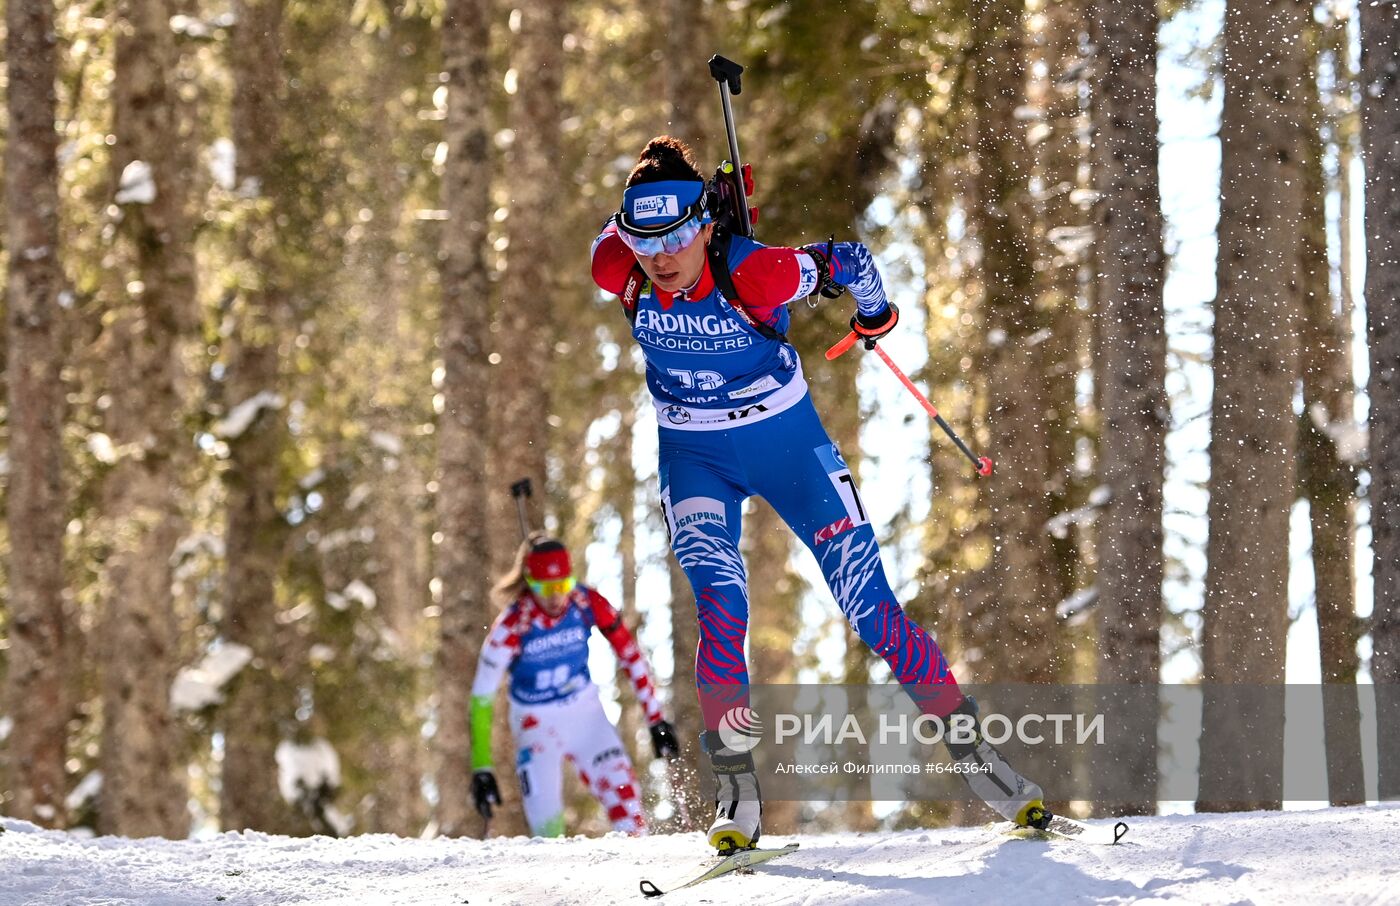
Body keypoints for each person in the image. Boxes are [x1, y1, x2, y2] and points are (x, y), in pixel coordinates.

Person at [590, 136, 1047, 854]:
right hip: (693, 455)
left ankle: (978, 757)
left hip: (789, 450)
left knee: (872, 610)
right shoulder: (617, 266)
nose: (661, 255)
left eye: (678, 233)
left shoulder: (758, 272)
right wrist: (664, 207)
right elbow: (625, 235)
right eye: (643, 237)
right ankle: (736, 789)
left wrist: (876, 315)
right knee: (722, 605)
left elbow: (853, 262)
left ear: (707, 223)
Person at [469, 534, 679, 837]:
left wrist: (656, 719)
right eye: (545, 588)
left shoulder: (585, 602)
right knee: (547, 829)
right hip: (536, 724)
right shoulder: (514, 624)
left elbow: (630, 655)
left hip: (585, 715)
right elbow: (481, 698)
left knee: (629, 808)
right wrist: (482, 767)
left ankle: (640, 868)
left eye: (563, 585)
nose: (556, 597)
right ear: (529, 583)